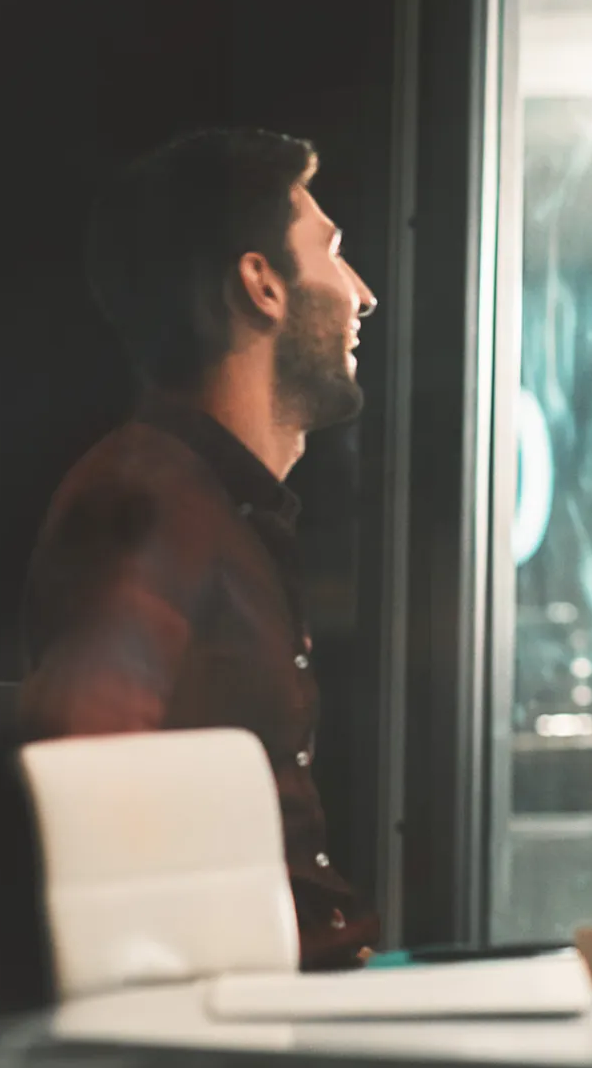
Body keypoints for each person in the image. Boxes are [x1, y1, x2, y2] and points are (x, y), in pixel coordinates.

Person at [20, 128, 380, 969]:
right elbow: (90, 802)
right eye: (331, 251)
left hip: (297, 1012)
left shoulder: (210, 504)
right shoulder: (149, 505)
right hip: (259, 1046)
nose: (361, 294)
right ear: (262, 284)